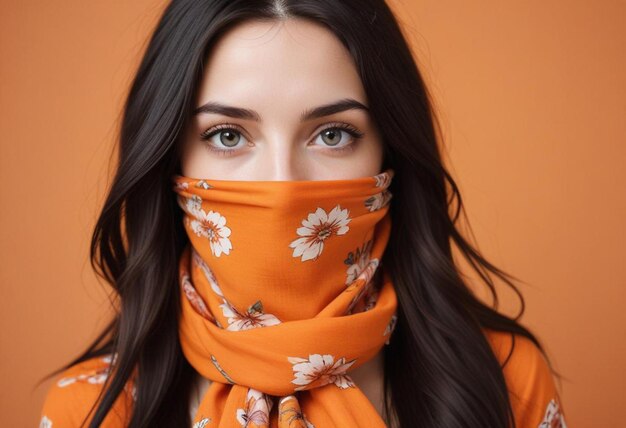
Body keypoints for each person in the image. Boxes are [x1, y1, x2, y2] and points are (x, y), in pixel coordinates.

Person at [38, 1, 567, 427]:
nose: (282, 183)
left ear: (391, 152)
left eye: (332, 134)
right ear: (172, 158)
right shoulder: (85, 412)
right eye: (228, 136)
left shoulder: (503, 381)